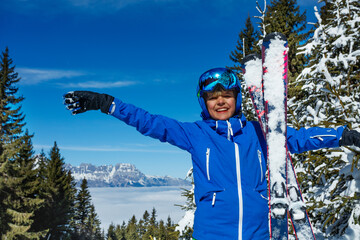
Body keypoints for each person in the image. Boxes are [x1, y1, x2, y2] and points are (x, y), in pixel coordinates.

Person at [64, 67, 360, 240]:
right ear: (204, 103)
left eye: (227, 96)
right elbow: (150, 122)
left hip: (260, 232)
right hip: (213, 234)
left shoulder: (259, 133)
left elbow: (300, 138)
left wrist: (341, 135)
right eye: (212, 97)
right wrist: (107, 103)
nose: (220, 102)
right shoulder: (195, 134)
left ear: (237, 99)